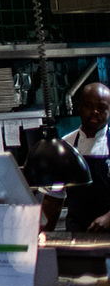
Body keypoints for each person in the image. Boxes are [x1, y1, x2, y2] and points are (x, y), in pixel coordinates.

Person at [44, 80, 110, 235]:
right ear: (79, 107)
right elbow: (54, 197)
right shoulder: (66, 145)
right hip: (77, 233)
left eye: (101, 107)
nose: (95, 111)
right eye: (89, 106)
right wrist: (43, 234)